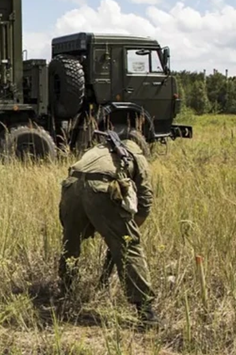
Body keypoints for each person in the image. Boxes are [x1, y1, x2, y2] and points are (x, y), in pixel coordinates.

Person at [57, 134, 158, 328]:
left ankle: (66, 291)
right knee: (129, 246)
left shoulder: (99, 150)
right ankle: (146, 312)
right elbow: (145, 202)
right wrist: (125, 234)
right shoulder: (137, 157)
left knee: (71, 242)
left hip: (71, 187)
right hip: (99, 188)